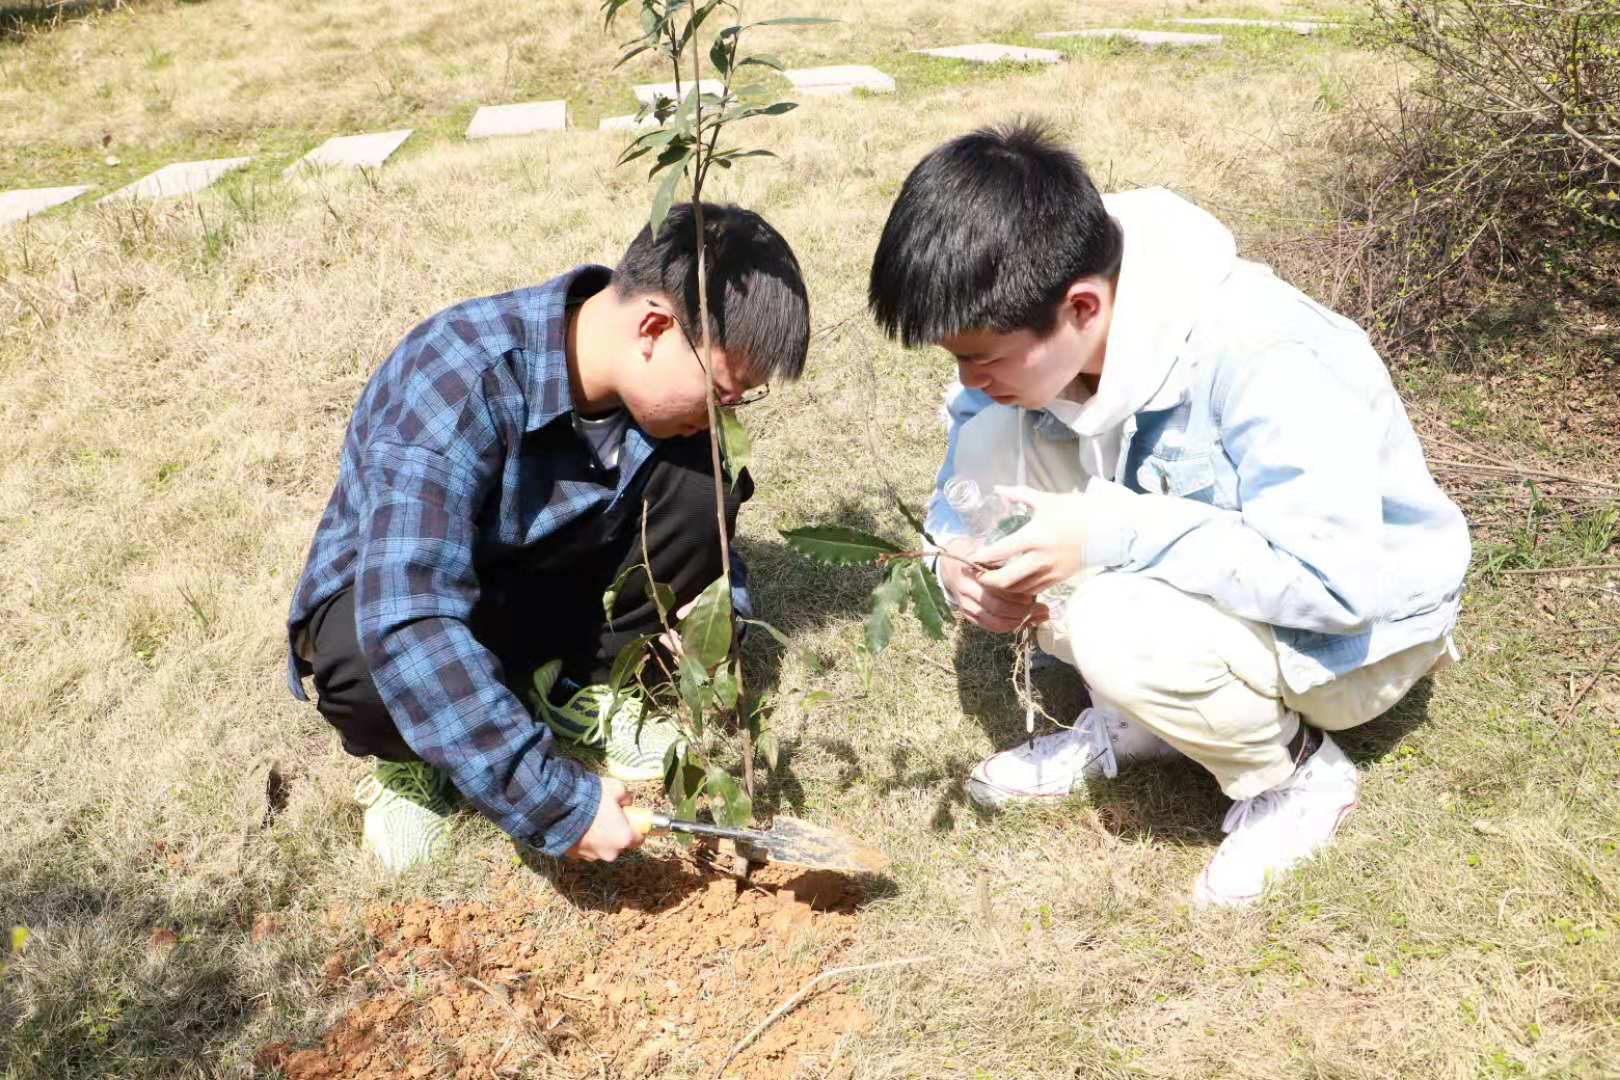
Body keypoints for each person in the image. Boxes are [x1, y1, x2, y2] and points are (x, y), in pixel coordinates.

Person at [867, 120, 1470, 909]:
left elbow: (1334, 585)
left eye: (981, 358)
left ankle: (1298, 778)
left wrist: (1105, 535)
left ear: (1082, 307)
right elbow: (960, 487)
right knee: (991, 452)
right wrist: (953, 561)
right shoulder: (1038, 313)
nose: (969, 381)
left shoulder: (1269, 354)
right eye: (956, 359)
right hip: (1240, 583)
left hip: (1357, 638)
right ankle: (1140, 721)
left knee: (1112, 617)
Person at [286, 203, 810, 872]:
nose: (726, 411)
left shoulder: (651, 400)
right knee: (366, 659)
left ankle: (578, 687)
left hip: (530, 588)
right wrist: (554, 802)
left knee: (704, 479)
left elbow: (707, 538)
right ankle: (409, 759)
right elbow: (408, 617)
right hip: (409, 610)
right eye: (723, 391)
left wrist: (719, 605)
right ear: (653, 328)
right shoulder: (454, 380)